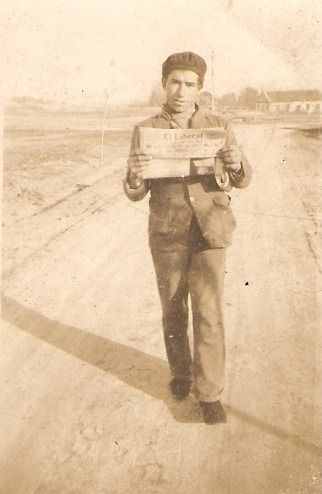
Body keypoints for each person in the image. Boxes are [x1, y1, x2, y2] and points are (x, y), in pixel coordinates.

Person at [123, 52, 252, 424]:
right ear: (164, 84)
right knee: (173, 310)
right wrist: (135, 175)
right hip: (167, 233)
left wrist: (236, 161)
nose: (182, 91)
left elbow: (243, 178)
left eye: (190, 84)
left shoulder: (219, 125)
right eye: (175, 82)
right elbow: (135, 190)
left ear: (201, 88)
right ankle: (181, 374)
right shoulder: (145, 129)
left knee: (209, 313)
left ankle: (209, 394)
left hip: (210, 230)